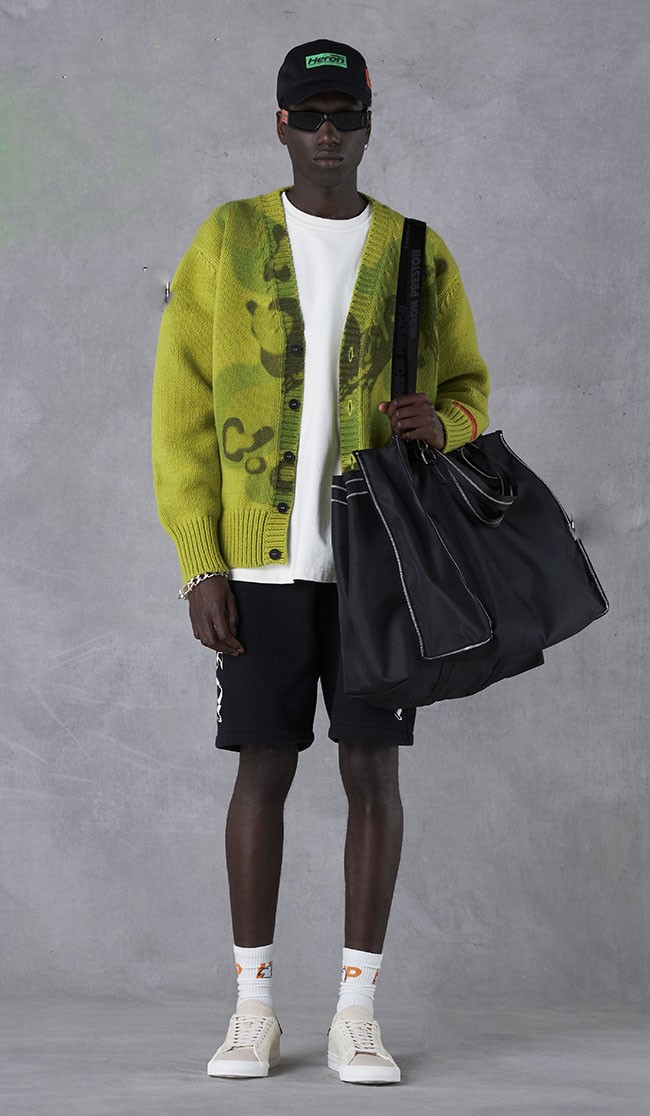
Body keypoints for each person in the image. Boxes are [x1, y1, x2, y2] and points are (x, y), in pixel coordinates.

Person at [152, 38, 490, 1085]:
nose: (329, 134)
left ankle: (356, 1013)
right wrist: (201, 562)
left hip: (378, 571)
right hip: (259, 570)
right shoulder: (227, 239)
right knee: (262, 767)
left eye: (346, 115)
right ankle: (252, 1007)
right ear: (282, 125)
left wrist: (443, 423)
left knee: (371, 770)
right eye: (311, 116)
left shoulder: (416, 251)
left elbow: (470, 393)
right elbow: (180, 413)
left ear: (369, 125)